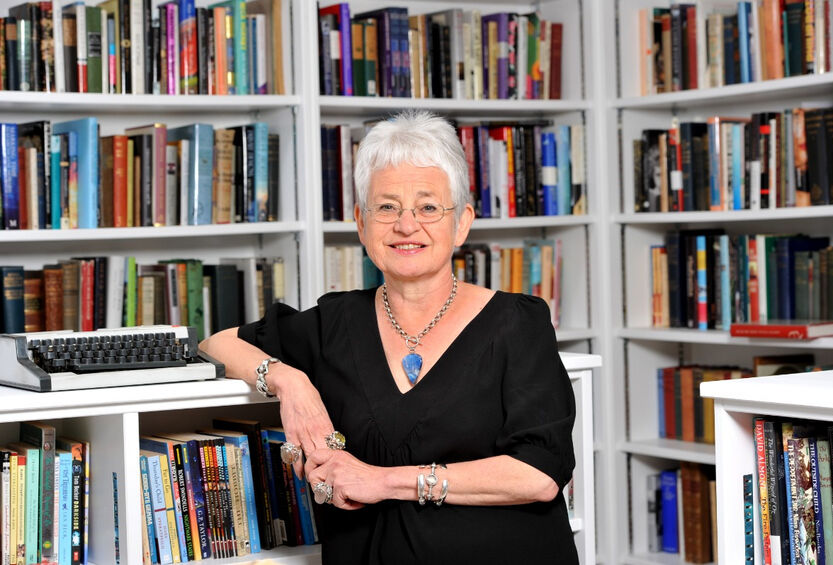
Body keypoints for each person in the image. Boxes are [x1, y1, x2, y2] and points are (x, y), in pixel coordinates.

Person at [199, 110, 579, 564]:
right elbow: (215, 342)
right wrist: (289, 383)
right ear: (361, 223)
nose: (406, 224)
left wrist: (383, 480)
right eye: (387, 207)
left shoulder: (518, 323)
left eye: (428, 207)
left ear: (461, 223)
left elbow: (538, 474)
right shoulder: (334, 321)